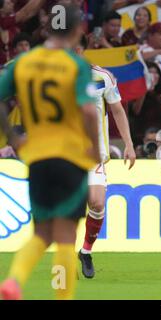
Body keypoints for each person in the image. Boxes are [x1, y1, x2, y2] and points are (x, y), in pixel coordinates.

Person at [0, 4, 100, 300]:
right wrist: (94, 147)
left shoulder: (23, 62)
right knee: (66, 238)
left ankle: (14, 282)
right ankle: (62, 298)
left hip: (37, 158)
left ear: (46, 28)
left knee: (42, 233)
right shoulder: (76, 66)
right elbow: (89, 111)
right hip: (70, 157)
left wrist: (12, 137)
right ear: (78, 30)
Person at [74, 36, 136, 279]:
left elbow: (118, 111)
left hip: (93, 154)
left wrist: (129, 145)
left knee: (97, 204)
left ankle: (85, 251)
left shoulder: (103, 77)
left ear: (81, 48)